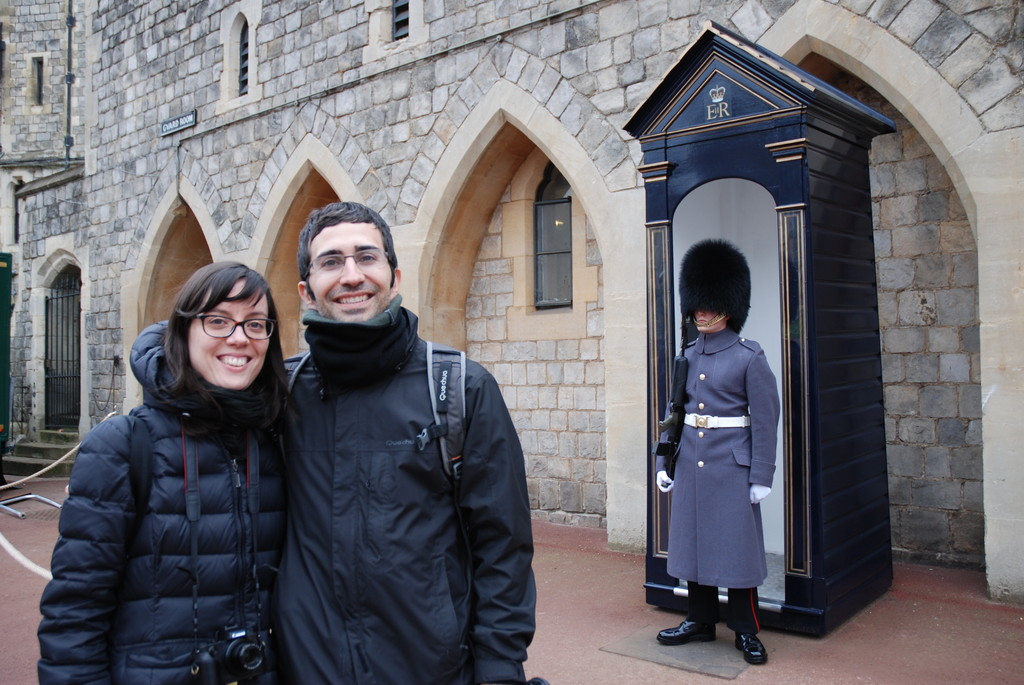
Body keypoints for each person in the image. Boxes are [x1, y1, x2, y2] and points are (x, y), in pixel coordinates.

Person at [273, 201, 539, 685]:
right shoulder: (279, 395)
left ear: (394, 277)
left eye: (366, 257)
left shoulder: (462, 388)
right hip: (306, 668)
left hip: (431, 669)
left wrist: (500, 668)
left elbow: (502, 547)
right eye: (331, 262)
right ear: (306, 291)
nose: (351, 275)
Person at [38, 262, 289, 685]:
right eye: (218, 321)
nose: (240, 338)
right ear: (184, 331)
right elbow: (75, 609)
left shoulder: (274, 440)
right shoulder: (123, 444)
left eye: (256, 324)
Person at [654, 239, 780, 666]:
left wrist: (762, 474)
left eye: (708, 305)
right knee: (694, 545)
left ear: (728, 306)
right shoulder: (687, 355)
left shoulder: (749, 357)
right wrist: (663, 462)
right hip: (691, 463)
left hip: (731, 466)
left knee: (737, 550)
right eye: (697, 306)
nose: (700, 313)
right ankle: (700, 619)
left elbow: (766, 418)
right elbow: (675, 413)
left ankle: (745, 630)